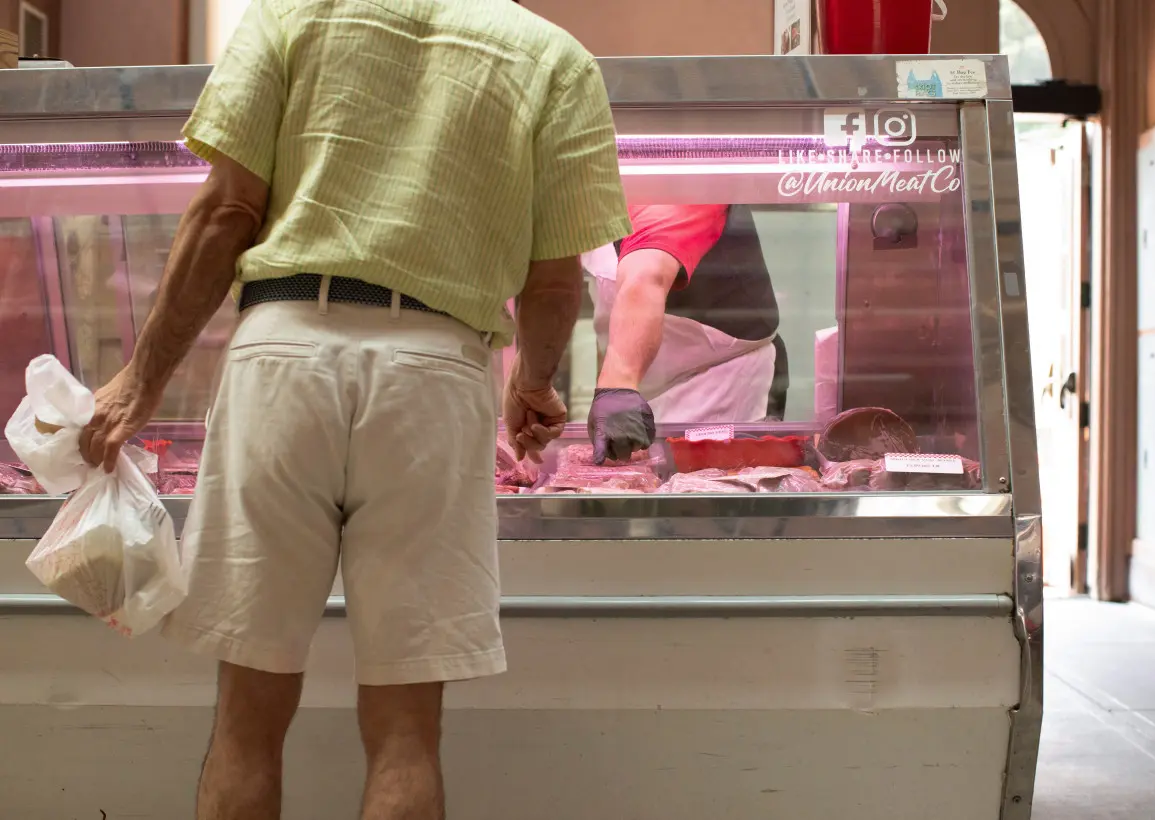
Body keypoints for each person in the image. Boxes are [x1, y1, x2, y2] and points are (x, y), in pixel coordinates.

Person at [76, 1, 630, 817]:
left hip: (284, 352)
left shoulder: (292, 14)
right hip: (436, 373)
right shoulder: (554, 57)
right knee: (406, 731)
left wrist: (141, 379)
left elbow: (226, 211)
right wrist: (533, 384)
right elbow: (554, 282)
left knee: (247, 723)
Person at [584, 204, 786, 462]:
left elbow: (647, 276)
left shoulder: (671, 184)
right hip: (637, 386)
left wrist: (617, 386)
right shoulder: (587, 192)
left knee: (700, 493)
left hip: (718, 380)